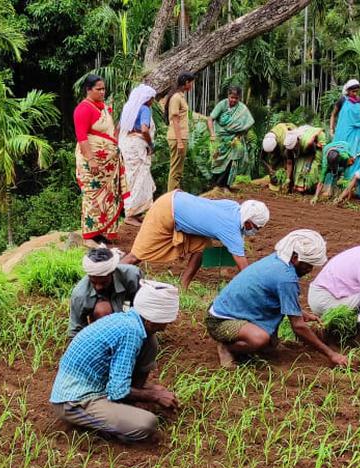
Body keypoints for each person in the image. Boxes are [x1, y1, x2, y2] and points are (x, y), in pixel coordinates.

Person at [49, 280, 180, 442]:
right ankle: (101, 428)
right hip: (73, 401)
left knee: (151, 348)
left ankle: (119, 410)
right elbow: (118, 390)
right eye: (167, 320)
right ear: (153, 320)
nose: (168, 324)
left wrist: (149, 392)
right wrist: (153, 395)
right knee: (147, 424)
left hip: (95, 384)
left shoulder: (128, 322)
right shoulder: (130, 334)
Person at [206, 230, 346, 368]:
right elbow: (298, 326)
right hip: (221, 321)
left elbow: (275, 296)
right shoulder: (285, 278)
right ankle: (227, 347)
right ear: (295, 258)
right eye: (308, 265)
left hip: (236, 311)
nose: (310, 269)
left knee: (269, 347)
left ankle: (243, 342)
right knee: (259, 339)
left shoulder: (278, 260)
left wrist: (301, 313)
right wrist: (332, 354)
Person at [121, 191, 270, 290]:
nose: (256, 231)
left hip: (175, 199)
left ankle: (183, 286)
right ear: (248, 222)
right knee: (136, 255)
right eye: (256, 227)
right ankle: (110, 272)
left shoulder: (234, 208)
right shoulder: (230, 229)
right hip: (165, 210)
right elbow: (244, 268)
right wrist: (259, 287)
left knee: (202, 246)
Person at [73, 75, 125, 246]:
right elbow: (82, 137)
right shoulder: (83, 109)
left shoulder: (103, 107)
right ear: (88, 90)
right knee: (92, 196)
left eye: (104, 89)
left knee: (108, 196)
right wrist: (92, 160)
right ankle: (91, 234)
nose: (103, 92)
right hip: (92, 163)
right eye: (99, 89)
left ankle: (102, 230)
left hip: (108, 167)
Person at [68, 247, 143, 337]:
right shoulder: (80, 294)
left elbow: (144, 306)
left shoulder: (132, 276)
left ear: (113, 272)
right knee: (102, 311)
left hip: (127, 307)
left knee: (150, 344)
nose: (98, 287)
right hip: (102, 321)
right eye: (94, 282)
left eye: (103, 282)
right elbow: (76, 330)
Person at [117, 84, 157, 226]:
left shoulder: (129, 108)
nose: (153, 101)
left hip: (127, 145)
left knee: (131, 177)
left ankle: (134, 211)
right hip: (137, 146)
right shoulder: (145, 109)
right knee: (139, 178)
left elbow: (119, 128)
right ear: (147, 98)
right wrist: (151, 145)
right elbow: (145, 129)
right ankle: (131, 214)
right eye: (152, 98)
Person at [207, 86, 255, 192]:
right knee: (217, 161)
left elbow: (248, 124)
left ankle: (225, 185)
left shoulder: (242, 109)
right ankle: (214, 186)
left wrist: (238, 137)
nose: (233, 100)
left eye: (236, 98)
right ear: (228, 96)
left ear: (239, 98)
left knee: (232, 161)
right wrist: (212, 134)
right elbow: (210, 119)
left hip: (233, 139)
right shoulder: (222, 105)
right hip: (219, 139)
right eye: (232, 97)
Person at [164, 72, 196, 192]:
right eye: (191, 83)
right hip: (178, 137)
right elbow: (175, 120)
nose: (192, 85)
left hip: (181, 136)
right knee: (176, 170)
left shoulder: (180, 96)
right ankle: (171, 196)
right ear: (186, 82)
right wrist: (179, 141)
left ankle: (175, 193)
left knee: (178, 169)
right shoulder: (176, 97)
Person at [329, 80, 360, 158]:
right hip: (344, 131)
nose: (355, 93)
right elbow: (333, 115)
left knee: (357, 152)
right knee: (342, 151)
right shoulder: (342, 100)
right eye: (353, 91)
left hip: (358, 131)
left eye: (357, 91)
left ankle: (356, 169)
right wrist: (331, 129)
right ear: (348, 91)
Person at [290, 124, 328, 193]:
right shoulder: (295, 143)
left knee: (314, 168)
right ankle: (299, 184)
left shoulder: (308, 143)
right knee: (299, 165)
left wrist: (307, 168)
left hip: (317, 145)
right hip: (310, 147)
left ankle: (309, 185)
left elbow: (312, 155)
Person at [260, 122, 298, 189]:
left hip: (291, 139)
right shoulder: (267, 142)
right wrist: (270, 168)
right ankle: (278, 182)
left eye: (273, 151)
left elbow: (289, 162)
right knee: (274, 170)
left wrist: (288, 178)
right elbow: (262, 158)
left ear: (276, 146)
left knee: (290, 170)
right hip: (280, 144)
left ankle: (290, 184)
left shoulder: (286, 142)